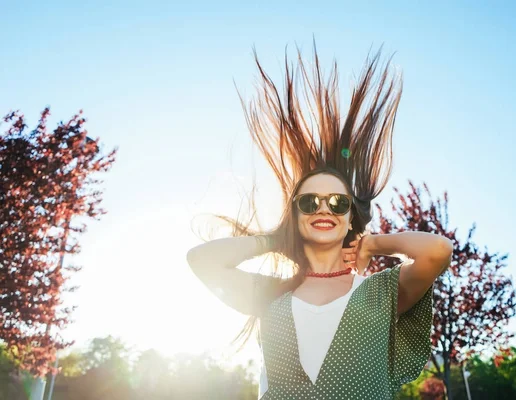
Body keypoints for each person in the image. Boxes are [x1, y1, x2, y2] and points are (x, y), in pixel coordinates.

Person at [187, 46, 453, 399]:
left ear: (349, 219)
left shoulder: (379, 293)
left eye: (338, 203)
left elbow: (438, 251)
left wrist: (373, 244)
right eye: (309, 202)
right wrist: (276, 238)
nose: (324, 209)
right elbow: (201, 259)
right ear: (295, 215)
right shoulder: (271, 293)